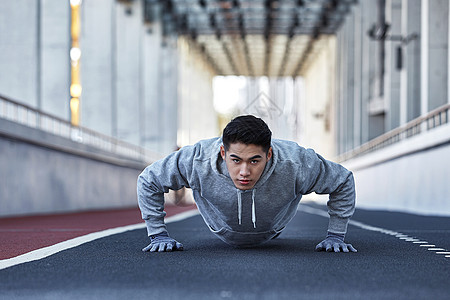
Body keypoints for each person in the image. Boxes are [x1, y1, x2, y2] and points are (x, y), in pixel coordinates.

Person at [137, 115, 357, 253]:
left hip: (273, 229)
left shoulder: (296, 162)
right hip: (220, 229)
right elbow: (148, 180)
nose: (244, 172)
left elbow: (343, 180)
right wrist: (158, 234)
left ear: (268, 154)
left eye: (254, 160)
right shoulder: (196, 160)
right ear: (223, 152)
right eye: (236, 160)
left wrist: (335, 236)